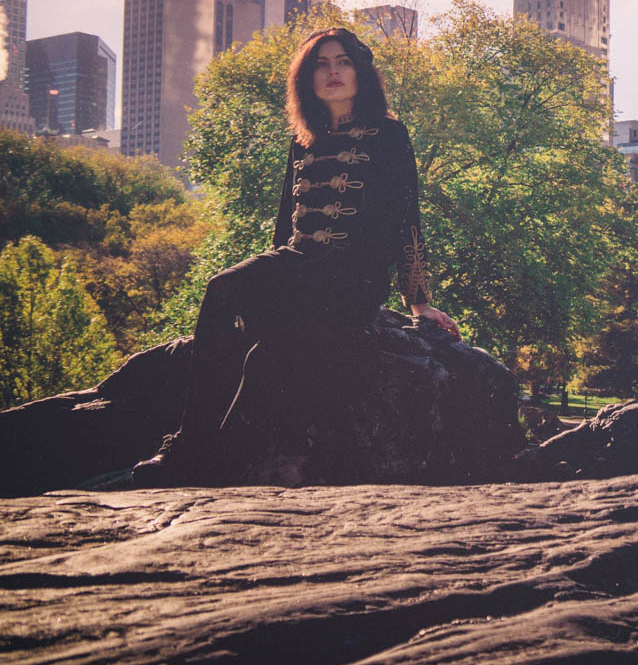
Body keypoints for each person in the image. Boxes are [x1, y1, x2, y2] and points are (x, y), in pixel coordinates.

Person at [133, 28, 457, 486]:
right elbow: (287, 225)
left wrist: (417, 301)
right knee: (224, 292)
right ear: (307, 79)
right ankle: (190, 446)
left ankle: (198, 457)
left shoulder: (389, 134)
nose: (332, 72)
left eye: (342, 62)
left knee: (268, 355)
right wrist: (263, 278)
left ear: (360, 73)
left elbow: (409, 219)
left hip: (352, 279)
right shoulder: (303, 139)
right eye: (321, 64)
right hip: (298, 265)